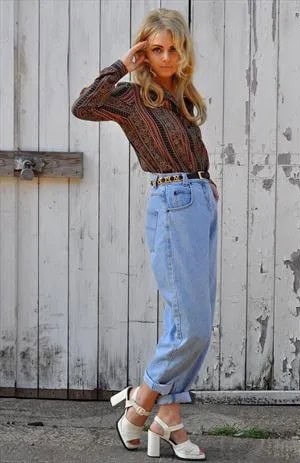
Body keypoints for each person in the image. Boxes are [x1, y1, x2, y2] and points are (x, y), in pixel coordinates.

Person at [71, 7, 218, 461]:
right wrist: (123, 64)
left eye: (174, 48)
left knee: (191, 323)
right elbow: (83, 105)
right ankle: (142, 402)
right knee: (190, 327)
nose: (167, 57)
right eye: (157, 49)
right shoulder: (133, 97)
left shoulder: (183, 92)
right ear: (145, 51)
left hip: (199, 201)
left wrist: (206, 182)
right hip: (173, 205)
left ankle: (168, 416)